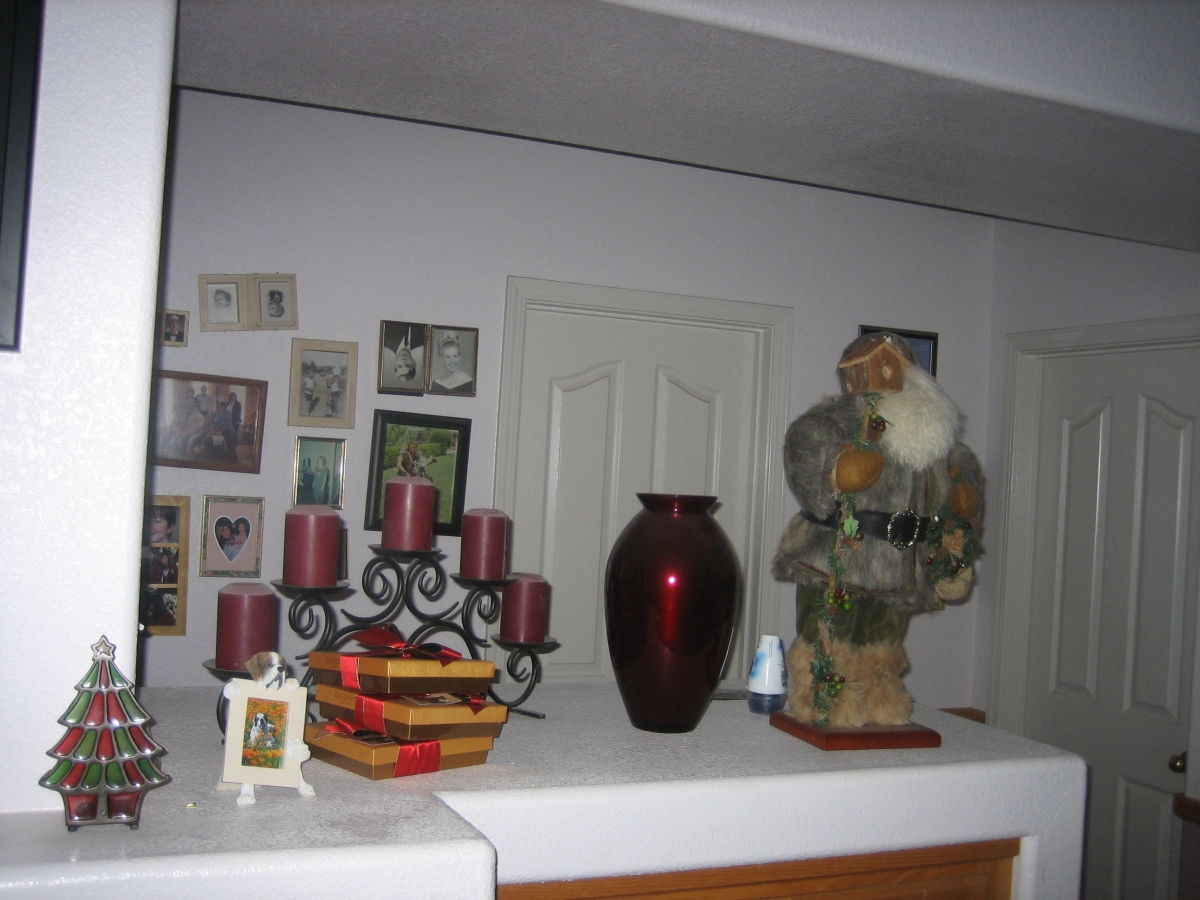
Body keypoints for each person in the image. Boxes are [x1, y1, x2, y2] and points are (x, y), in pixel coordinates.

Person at [772, 332, 983, 728]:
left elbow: (959, 484)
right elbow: (810, 478)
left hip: (902, 561)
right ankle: (823, 702)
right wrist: (838, 473)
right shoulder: (831, 423)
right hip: (839, 554)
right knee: (828, 636)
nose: (891, 373)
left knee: (883, 639)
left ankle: (880, 698)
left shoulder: (934, 435)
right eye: (880, 365)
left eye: (898, 363)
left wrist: (960, 511)